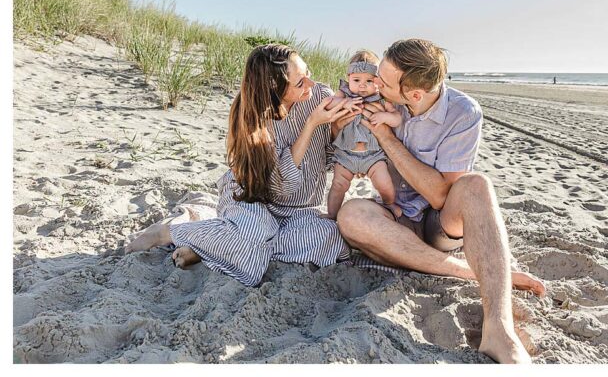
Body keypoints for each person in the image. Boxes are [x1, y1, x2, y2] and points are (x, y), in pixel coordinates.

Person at [336, 38, 546, 365]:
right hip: (394, 216)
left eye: (384, 81)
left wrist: (387, 139)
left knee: (476, 185)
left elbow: (440, 195)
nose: (375, 83)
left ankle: (499, 328)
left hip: (438, 224)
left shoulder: (463, 113)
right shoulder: (380, 99)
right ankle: (474, 271)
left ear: (415, 94)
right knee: (350, 215)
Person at [125, 44, 360, 285]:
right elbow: (280, 186)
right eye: (299, 83)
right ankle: (170, 232)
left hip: (297, 209)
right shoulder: (253, 119)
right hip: (253, 201)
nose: (310, 85)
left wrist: (335, 130)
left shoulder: (319, 96)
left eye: (308, 74)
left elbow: (328, 159)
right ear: (274, 89)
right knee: (255, 235)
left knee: (331, 239)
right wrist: (311, 125)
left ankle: (211, 245)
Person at [326, 50, 396, 219]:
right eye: (356, 80)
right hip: (345, 156)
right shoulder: (344, 93)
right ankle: (332, 215)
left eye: (369, 81)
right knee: (338, 186)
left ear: (378, 81)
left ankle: (390, 208)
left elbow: (397, 119)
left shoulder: (382, 98)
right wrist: (344, 103)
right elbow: (328, 104)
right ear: (348, 78)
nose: (362, 85)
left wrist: (385, 116)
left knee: (385, 184)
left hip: (373, 156)